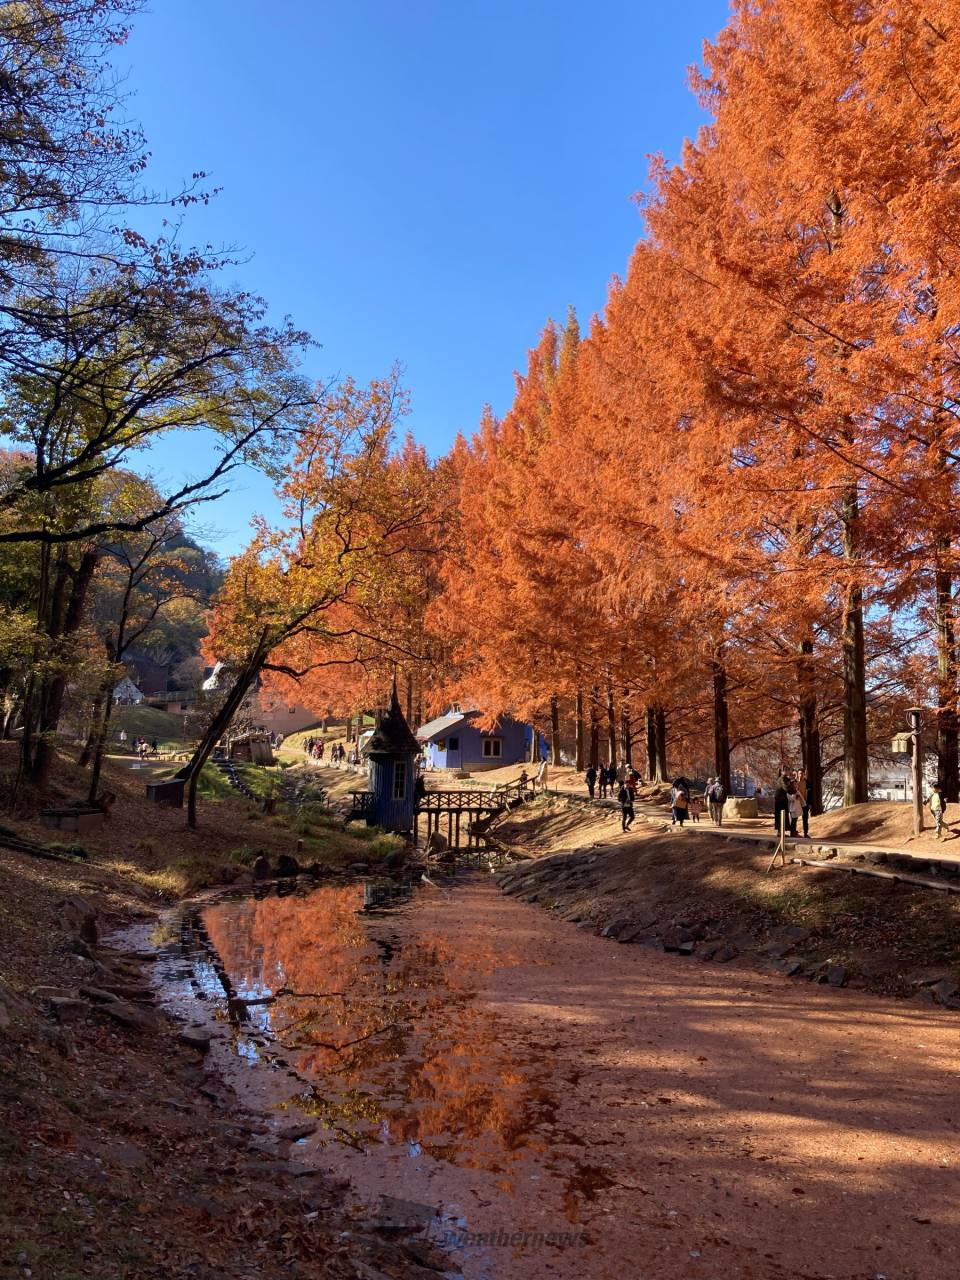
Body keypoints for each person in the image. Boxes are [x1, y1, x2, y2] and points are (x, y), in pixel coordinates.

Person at [773, 770, 791, 836]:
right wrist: (791, 786)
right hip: (780, 800)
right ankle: (780, 832)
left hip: (781, 800)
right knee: (781, 816)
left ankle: (781, 832)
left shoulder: (785, 778)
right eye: (786, 770)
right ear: (783, 771)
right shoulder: (782, 779)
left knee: (782, 816)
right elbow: (786, 788)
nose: (788, 772)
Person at [795, 770, 809, 837]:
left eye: (802, 773)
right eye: (800, 773)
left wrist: (808, 802)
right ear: (798, 774)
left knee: (805, 819)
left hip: (804, 803)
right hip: (797, 803)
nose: (801, 775)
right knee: (795, 819)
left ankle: (805, 833)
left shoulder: (806, 782)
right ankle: (793, 832)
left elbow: (809, 793)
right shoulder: (795, 782)